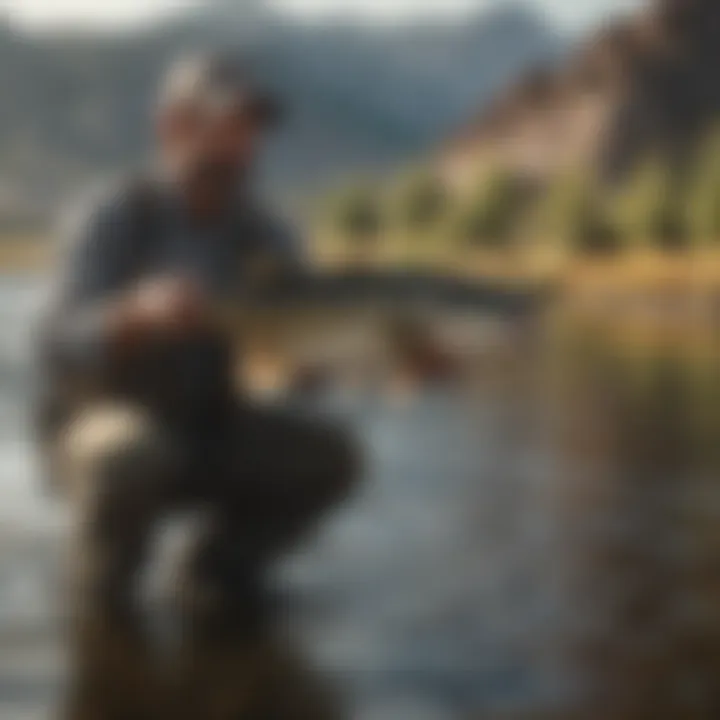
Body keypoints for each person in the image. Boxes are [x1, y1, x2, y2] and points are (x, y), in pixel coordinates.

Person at [37, 53, 359, 642]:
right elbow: (58, 343)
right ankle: (103, 604)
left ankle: (217, 571)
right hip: (103, 431)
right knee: (127, 458)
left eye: (249, 129)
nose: (237, 144)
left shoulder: (269, 235)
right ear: (170, 127)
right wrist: (133, 313)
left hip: (211, 427)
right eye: (220, 124)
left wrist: (333, 365)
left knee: (332, 457)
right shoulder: (114, 214)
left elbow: (289, 371)